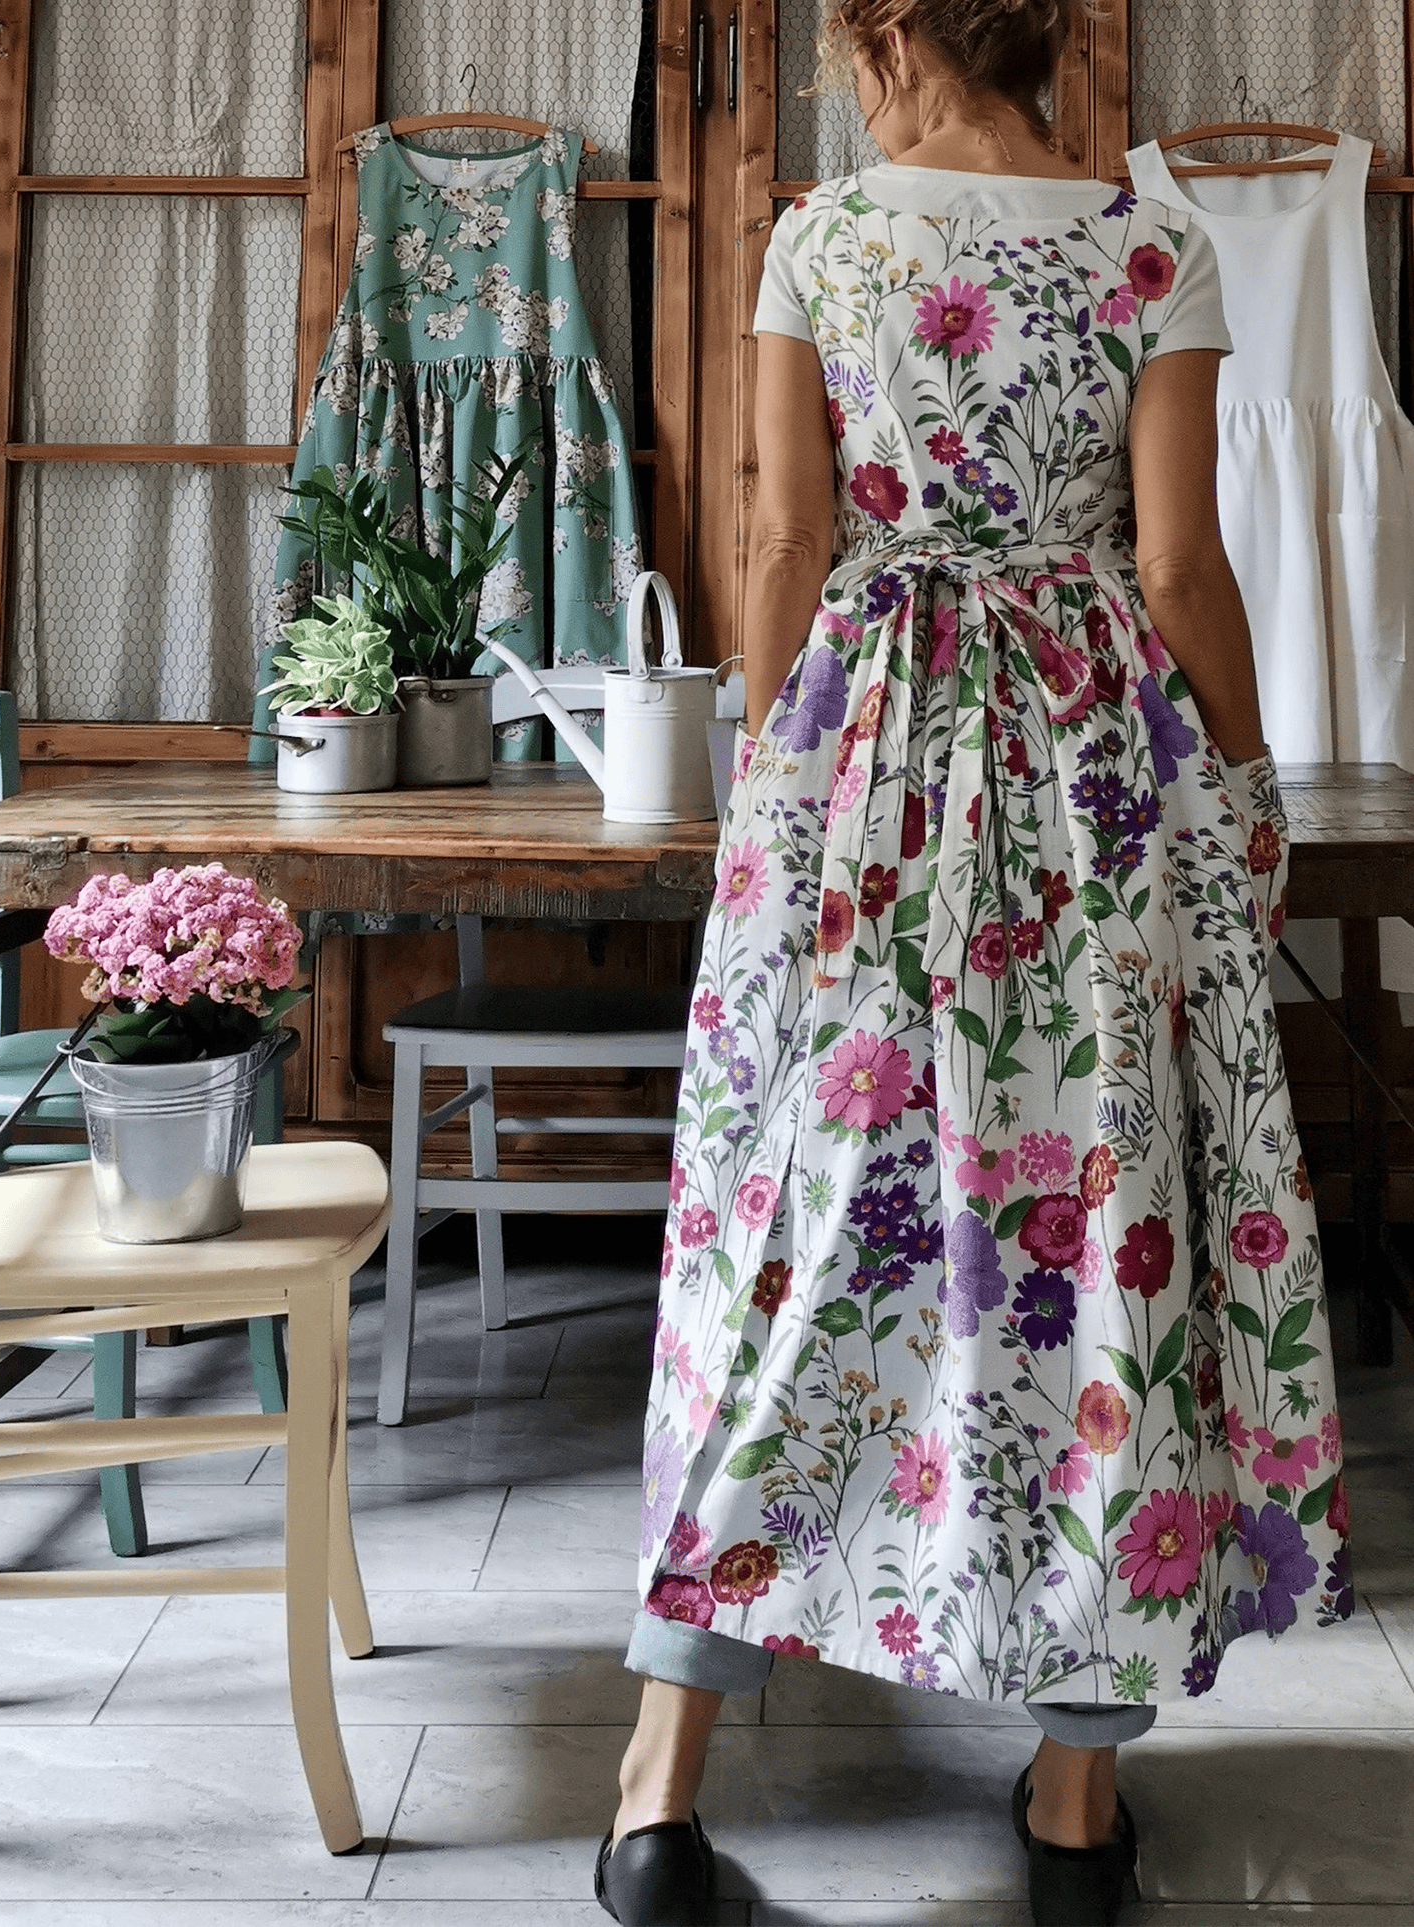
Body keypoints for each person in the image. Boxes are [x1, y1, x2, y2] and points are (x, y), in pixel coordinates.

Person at [595, 4, 1353, 1923]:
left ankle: (661, 1783)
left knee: (801, 1213)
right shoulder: (1145, 241)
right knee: (1108, 1219)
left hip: (870, 771)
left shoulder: (825, 237)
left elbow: (781, 536)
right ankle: (1079, 1807)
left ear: (896, 40)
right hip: (1098, 786)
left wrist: (779, 782)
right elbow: (1181, 567)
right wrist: (1245, 782)